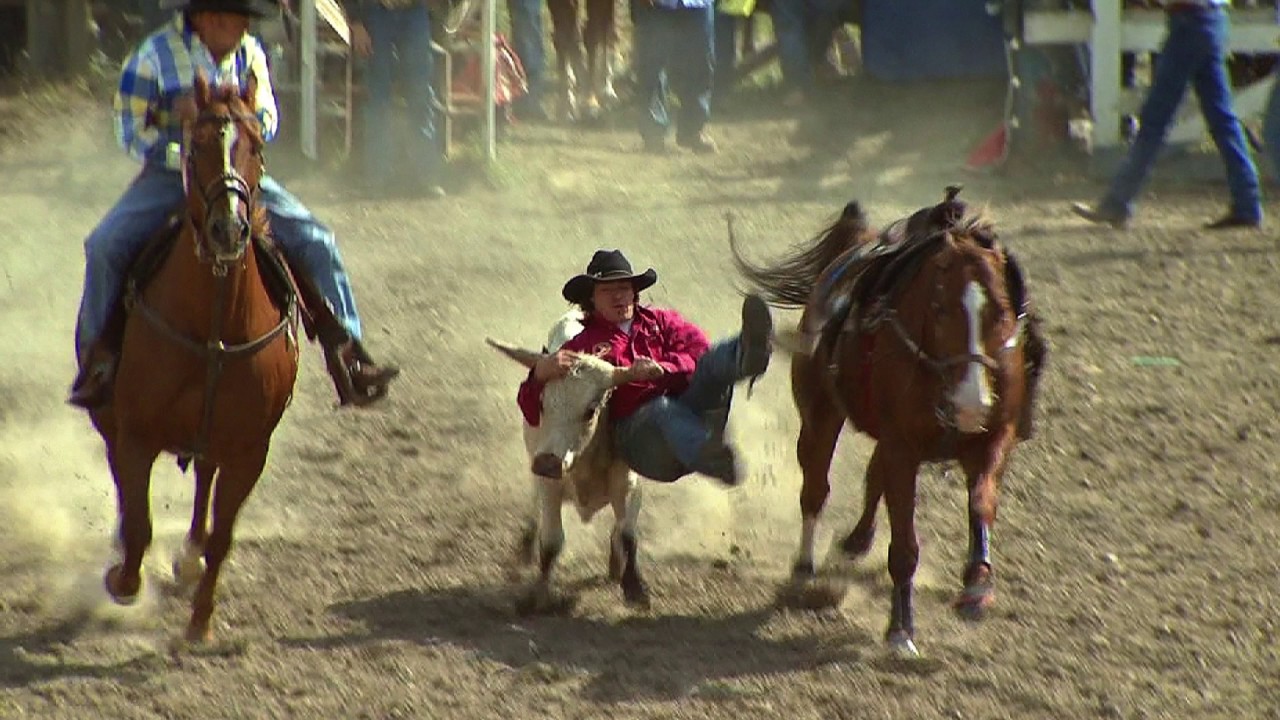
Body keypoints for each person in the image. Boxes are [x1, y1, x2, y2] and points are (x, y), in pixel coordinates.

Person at [69, 0, 400, 409]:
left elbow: (268, 119)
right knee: (105, 245)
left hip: (239, 178)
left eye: (246, 17)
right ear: (209, 17)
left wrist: (242, 129)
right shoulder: (153, 55)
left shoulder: (250, 53)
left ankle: (348, 354)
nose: (244, 24)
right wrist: (186, 146)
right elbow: (129, 129)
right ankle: (97, 362)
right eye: (239, 15)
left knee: (317, 241)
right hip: (171, 175)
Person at [517, 250, 773, 485]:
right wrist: (539, 374)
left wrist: (664, 369)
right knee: (660, 408)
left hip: (693, 409)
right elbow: (534, 411)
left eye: (624, 287)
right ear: (591, 299)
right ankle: (713, 459)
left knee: (710, 361)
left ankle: (748, 354)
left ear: (634, 293)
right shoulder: (581, 346)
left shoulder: (662, 321)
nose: (618, 295)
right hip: (641, 441)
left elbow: (697, 349)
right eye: (607, 290)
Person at [1071, 0, 1262, 230]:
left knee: (1156, 119)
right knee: (1222, 119)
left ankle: (1119, 201)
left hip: (1188, 21)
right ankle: (1247, 201)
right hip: (1211, 19)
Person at [342, 0, 446, 196]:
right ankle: (376, 176)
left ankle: (426, 176)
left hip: (414, 11)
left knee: (420, 93)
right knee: (378, 96)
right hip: (376, 11)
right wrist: (356, 22)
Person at [631, 0, 718, 153]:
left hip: (697, 4)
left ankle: (692, 130)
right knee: (651, 65)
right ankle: (653, 134)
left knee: (700, 61)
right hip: (655, 6)